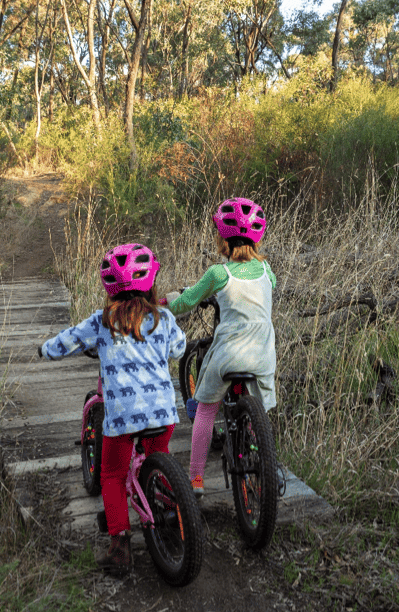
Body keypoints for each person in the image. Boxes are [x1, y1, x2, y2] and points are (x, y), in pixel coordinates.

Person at [38, 243, 186, 576]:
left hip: (121, 417)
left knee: (112, 475)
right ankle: (175, 514)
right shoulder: (164, 318)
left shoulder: (102, 322)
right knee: (155, 459)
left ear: (110, 289)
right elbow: (180, 347)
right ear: (151, 284)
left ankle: (120, 546)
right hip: (163, 413)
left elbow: (68, 342)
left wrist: (44, 350)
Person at [164, 198, 276, 497]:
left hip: (230, 352)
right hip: (262, 353)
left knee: (205, 409)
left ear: (222, 236)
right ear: (258, 236)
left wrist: (168, 302)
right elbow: (265, 290)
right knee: (261, 411)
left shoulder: (218, 274)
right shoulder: (267, 272)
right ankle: (265, 457)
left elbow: (186, 302)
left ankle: (196, 479)